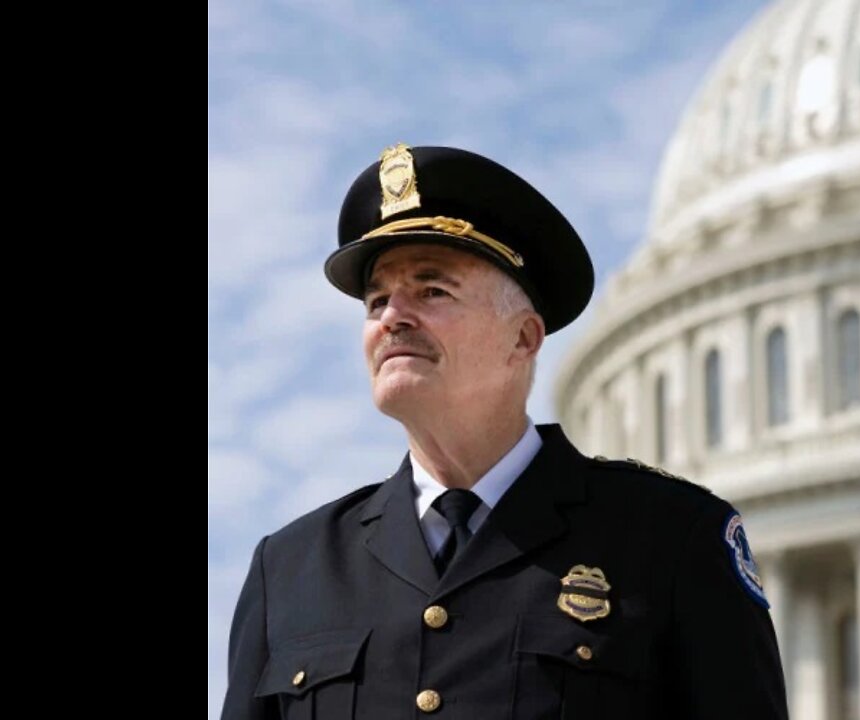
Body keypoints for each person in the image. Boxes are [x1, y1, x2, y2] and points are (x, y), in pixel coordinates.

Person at [219, 144, 788, 720]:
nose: (392, 317)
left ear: (523, 339)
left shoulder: (670, 540)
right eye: (377, 301)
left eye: (431, 290)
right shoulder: (289, 569)